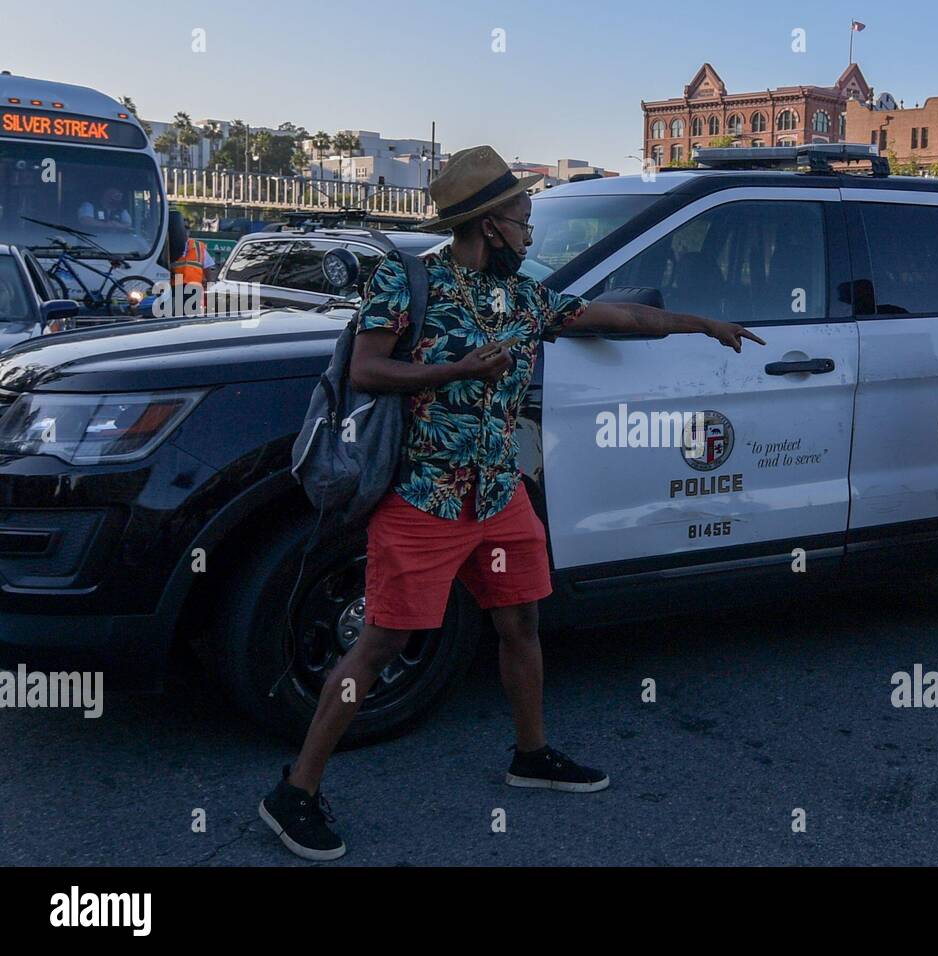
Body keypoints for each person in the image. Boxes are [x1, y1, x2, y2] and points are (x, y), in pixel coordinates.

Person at [260, 145, 764, 860]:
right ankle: (296, 791)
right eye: (524, 222)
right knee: (378, 646)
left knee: (522, 624)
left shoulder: (523, 297)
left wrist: (699, 324)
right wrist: (458, 368)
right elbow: (368, 369)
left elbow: (610, 317)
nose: (530, 234)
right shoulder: (407, 282)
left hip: (498, 495)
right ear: (490, 225)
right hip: (425, 496)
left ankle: (531, 755)